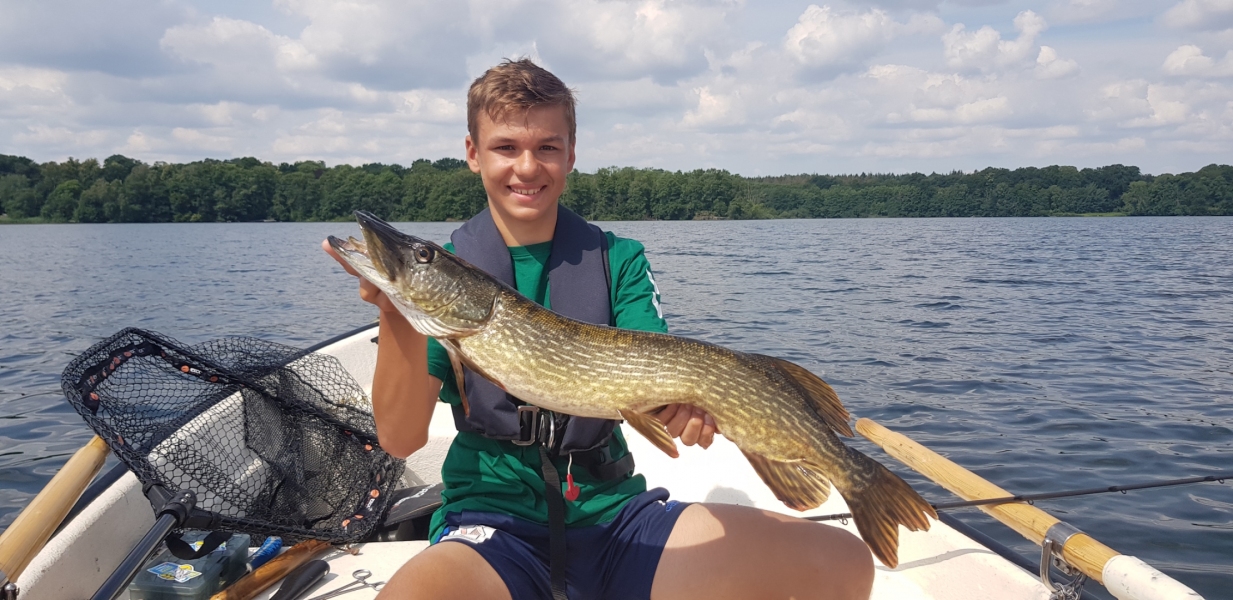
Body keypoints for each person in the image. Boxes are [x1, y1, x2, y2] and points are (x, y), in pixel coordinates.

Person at [324, 59, 874, 600]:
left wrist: (683, 413)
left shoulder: (619, 260)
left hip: (615, 517)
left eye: (547, 147)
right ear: (473, 153)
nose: (527, 167)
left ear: (570, 155)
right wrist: (393, 309)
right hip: (492, 525)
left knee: (841, 562)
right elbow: (401, 440)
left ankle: (855, 479)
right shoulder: (451, 287)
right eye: (506, 147)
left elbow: (662, 381)